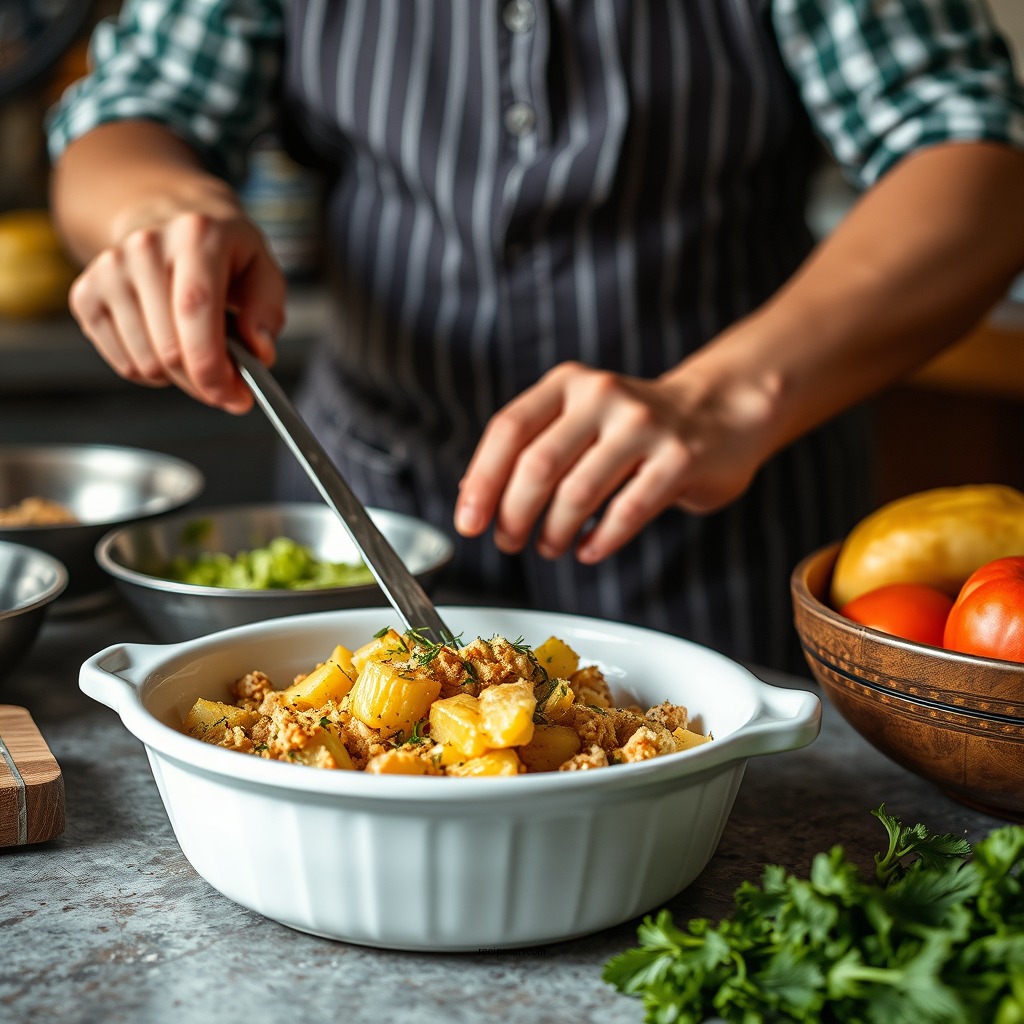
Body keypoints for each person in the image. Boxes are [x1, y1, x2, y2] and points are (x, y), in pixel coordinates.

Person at [47, 1, 1024, 672]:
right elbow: (133, 114)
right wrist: (160, 214)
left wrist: (724, 394)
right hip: (374, 513)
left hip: (722, 537)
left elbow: (975, 156)